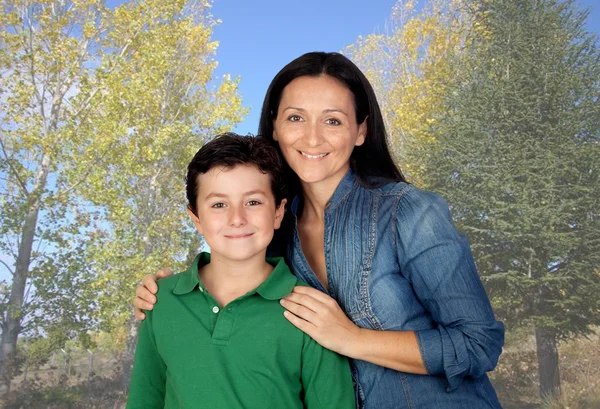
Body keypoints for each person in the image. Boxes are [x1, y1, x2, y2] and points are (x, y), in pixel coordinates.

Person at [134, 52, 505, 409]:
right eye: (296, 118)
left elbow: (477, 343)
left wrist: (352, 339)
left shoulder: (408, 212)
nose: (312, 139)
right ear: (275, 126)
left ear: (361, 130)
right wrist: (167, 295)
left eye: (332, 120)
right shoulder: (277, 227)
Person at [126, 133, 356, 409]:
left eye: (253, 202)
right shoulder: (160, 300)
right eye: (219, 205)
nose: (237, 219)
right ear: (196, 218)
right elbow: (144, 399)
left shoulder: (310, 311)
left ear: (278, 212)